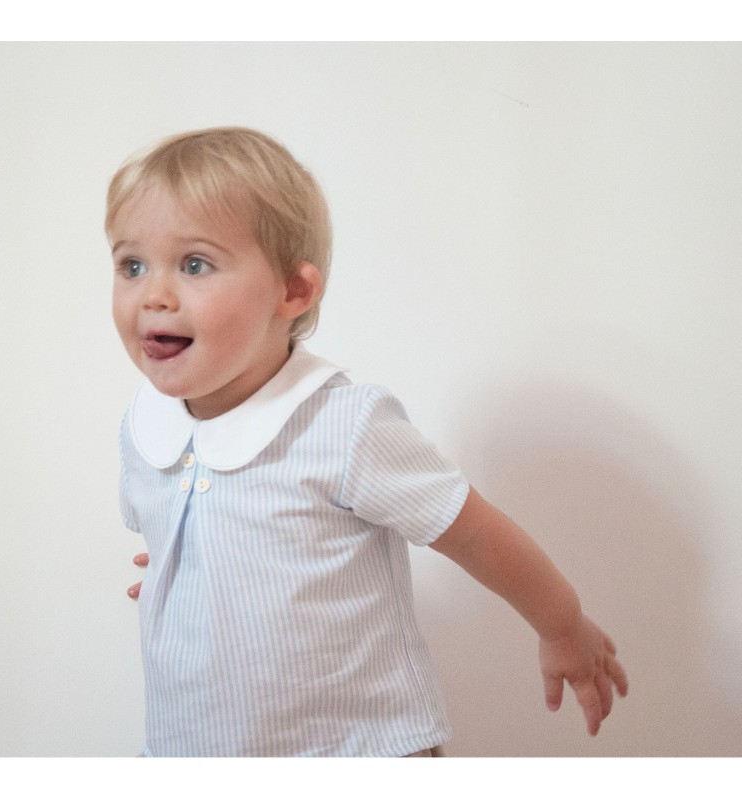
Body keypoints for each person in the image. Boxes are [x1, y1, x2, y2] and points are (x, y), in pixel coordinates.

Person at [108, 127, 628, 757]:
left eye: (195, 264)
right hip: (195, 745)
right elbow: (189, 531)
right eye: (131, 265)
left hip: (353, 749)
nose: (154, 295)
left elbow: (472, 532)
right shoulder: (148, 429)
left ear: (293, 292)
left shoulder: (341, 425)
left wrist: (562, 623)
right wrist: (184, 568)